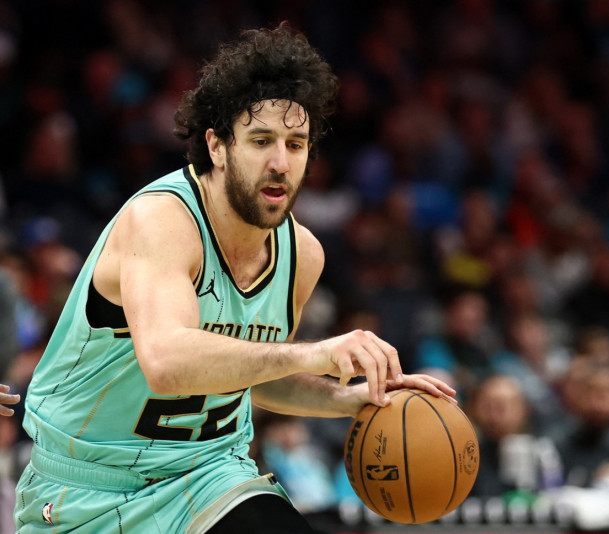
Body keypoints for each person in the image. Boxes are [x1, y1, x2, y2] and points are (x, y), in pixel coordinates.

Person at [13, 24, 454, 534]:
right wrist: (315, 353)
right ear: (217, 146)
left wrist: (344, 400)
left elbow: (253, 373)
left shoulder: (302, 255)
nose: (280, 163)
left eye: (296, 144)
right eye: (261, 141)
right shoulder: (162, 222)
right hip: (86, 488)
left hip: (209, 477)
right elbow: (167, 362)